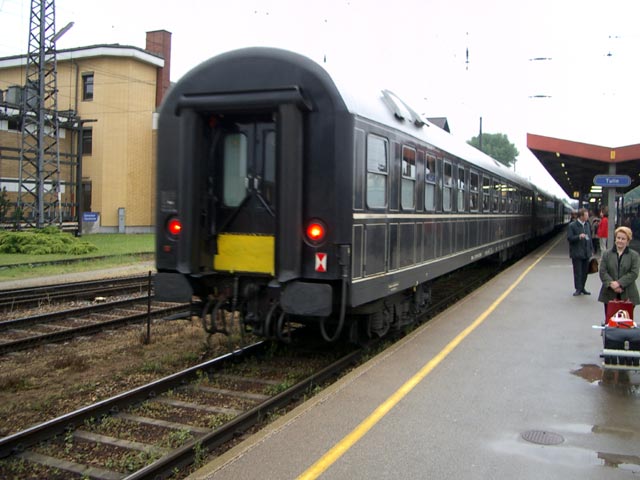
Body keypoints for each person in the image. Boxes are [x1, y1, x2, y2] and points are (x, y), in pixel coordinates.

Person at [598, 226, 640, 319]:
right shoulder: (607, 254)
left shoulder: (634, 256)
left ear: (628, 241)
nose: (620, 241)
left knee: (625, 322)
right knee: (610, 321)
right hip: (609, 293)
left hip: (628, 294)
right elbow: (603, 271)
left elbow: (634, 273)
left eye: (623, 239)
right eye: (618, 238)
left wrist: (619, 284)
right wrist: (611, 284)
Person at [567, 208, 594, 296]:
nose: (588, 217)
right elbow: (570, 238)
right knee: (578, 272)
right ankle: (578, 288)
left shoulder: (587, 225)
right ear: (581, 216)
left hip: (586, 252)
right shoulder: (572, 225)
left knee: (585, 272)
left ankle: (582, 287)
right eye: (586, 215)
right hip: (577, 252)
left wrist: (591, 249)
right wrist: (578, 236)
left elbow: (589, 238)